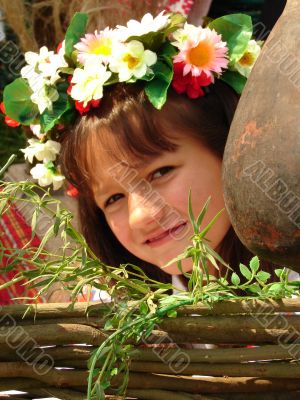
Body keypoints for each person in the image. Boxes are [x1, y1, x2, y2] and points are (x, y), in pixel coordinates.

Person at [1, 11, 268, 285]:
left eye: (161, 172)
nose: (142, 215)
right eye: (113, 199)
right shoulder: (130, 319)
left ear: (232, 150)